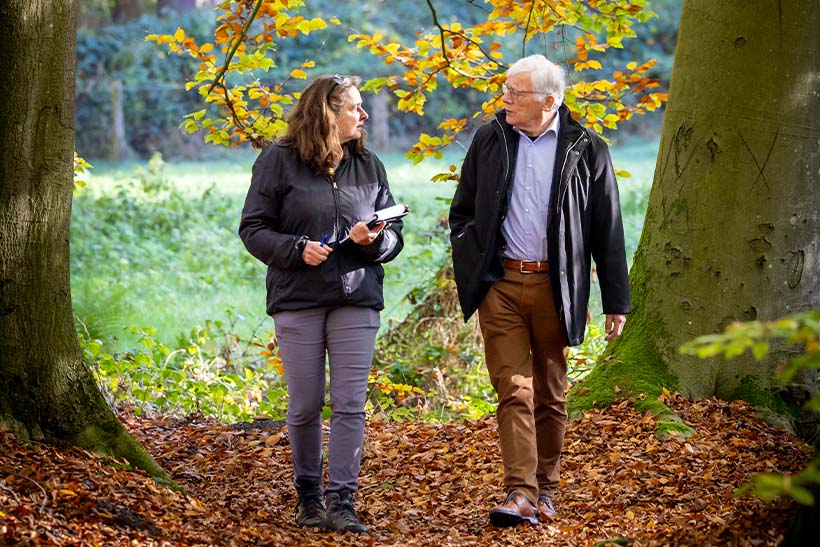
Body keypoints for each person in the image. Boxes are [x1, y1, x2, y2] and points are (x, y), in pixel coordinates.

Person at [448, 55, 630, 527]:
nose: (503, 99)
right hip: (500, 284)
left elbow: (608, 228)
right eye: (505, 89)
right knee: (513, 388)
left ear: (549, 101)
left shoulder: (587, 148)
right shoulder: (491, 138)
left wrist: (616, 300)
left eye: (515, 92)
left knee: (549, 392)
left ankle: (545, 489)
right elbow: (462, 211)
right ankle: (520, 492)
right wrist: (472, 260)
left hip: (558, 285)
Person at [239, 74, 404, 533]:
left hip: (357, 297)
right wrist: (296, 249)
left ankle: (343, 500)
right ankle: (308, 497)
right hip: (299, 300)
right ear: (327, 113)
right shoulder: (277, 161)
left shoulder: (369, 165)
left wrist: (374, 242)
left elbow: (393, 237)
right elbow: (253, 228)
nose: (363, 114)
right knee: (306, 404)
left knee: (350, 403)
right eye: (354, 107)